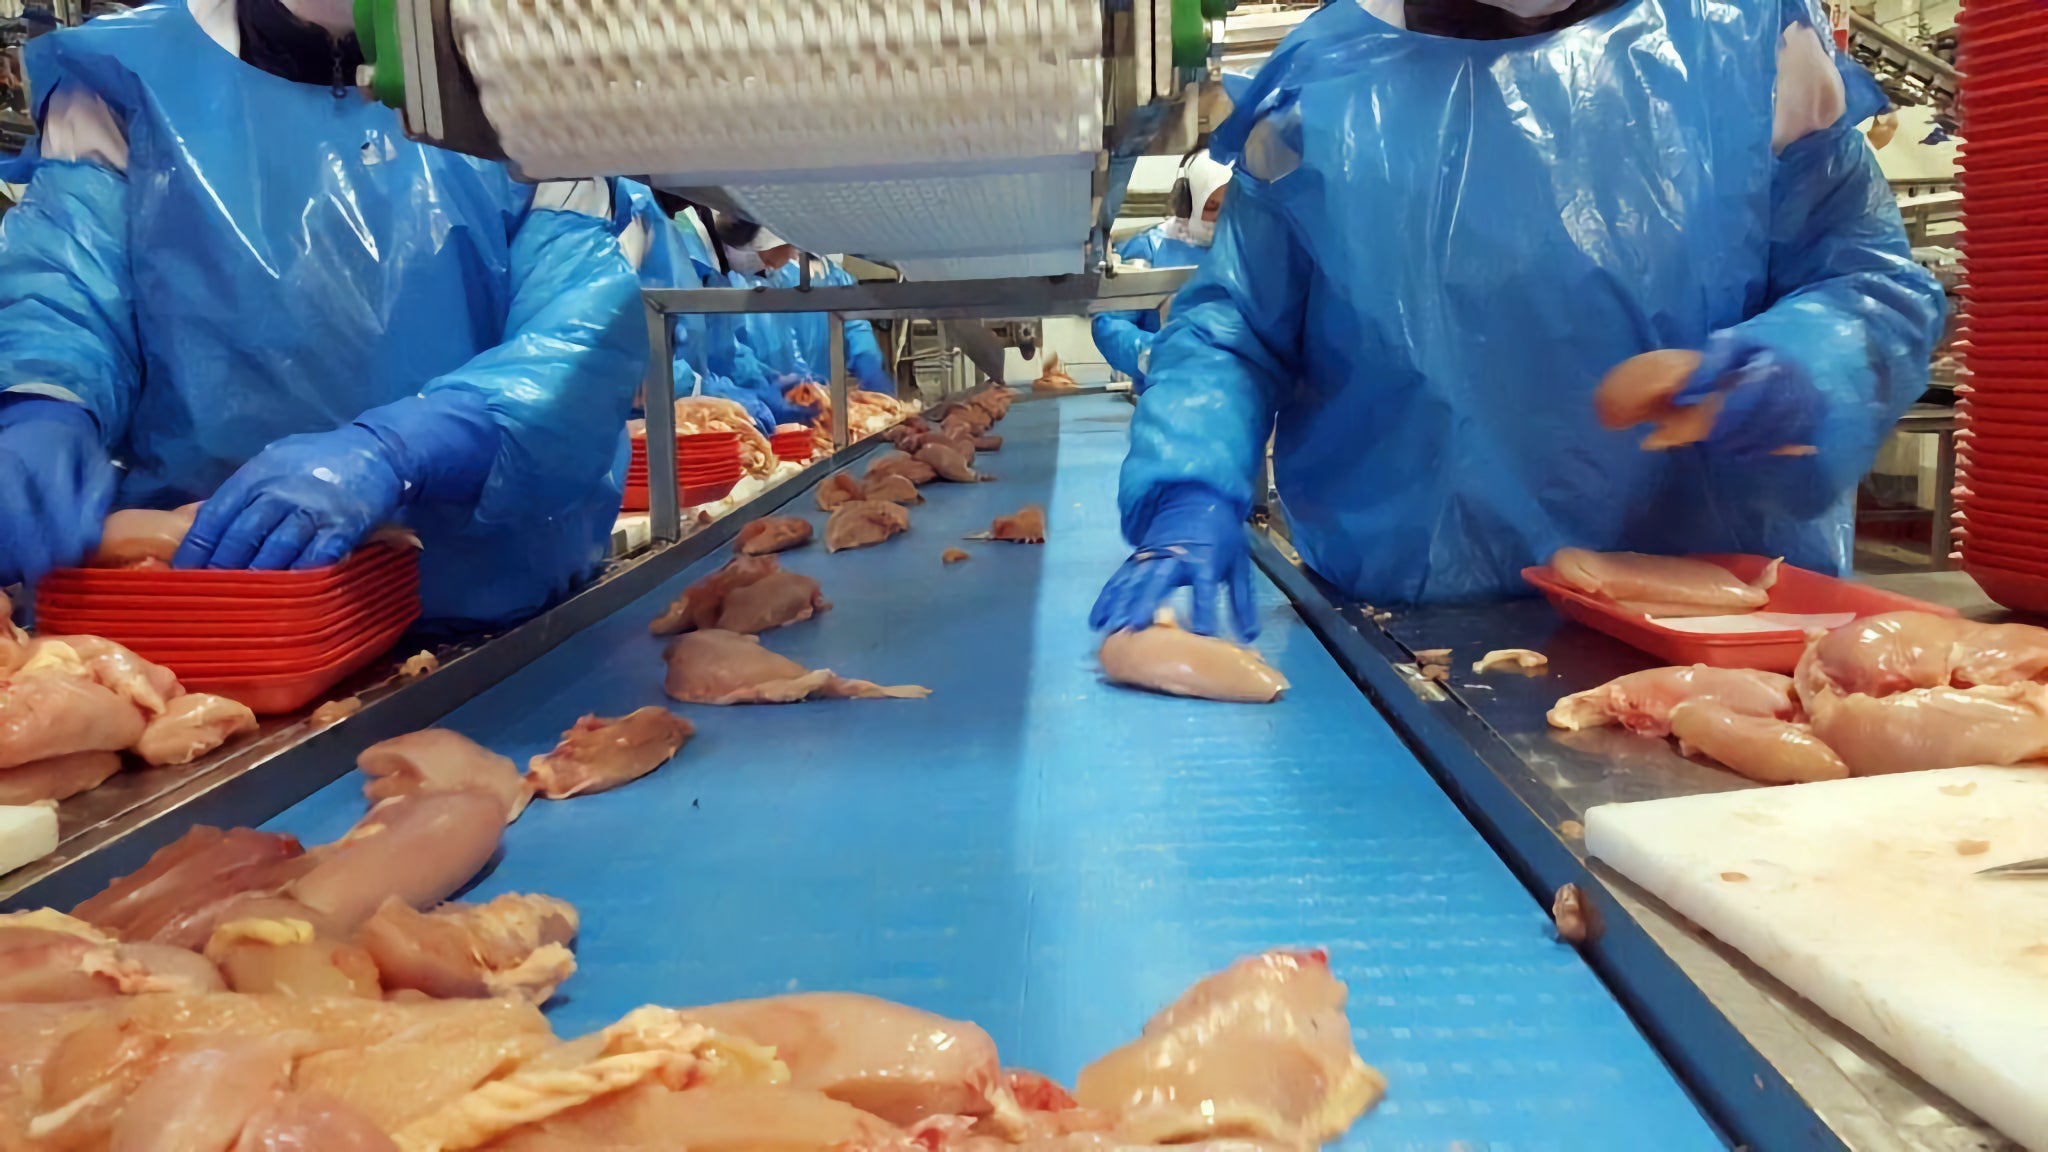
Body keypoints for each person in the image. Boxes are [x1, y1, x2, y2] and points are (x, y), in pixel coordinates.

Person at [1092, 0, 1945, 641]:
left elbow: (1865, 279)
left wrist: (1802, 368)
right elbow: (1236, 327)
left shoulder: (1749, 44)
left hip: (1722, 647)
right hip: (1405, 650)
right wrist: (1190, 491)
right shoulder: (1325, 86)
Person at [0, 0, 644, 630]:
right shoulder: (125, 75)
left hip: (492, 625)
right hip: (208, 623)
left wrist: (415, 447)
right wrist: (45, 403)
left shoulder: (533, 77)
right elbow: (66, 288)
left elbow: (578, 340)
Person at [614, 182, 801, 433]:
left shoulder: (689, 227)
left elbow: (718, 344)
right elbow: (620, 346)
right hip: (636, 422)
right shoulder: (630, 207)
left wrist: (763, 383)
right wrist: (699, 389)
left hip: (685, 421)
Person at [1091, 150, 1232, 391]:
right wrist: (1155, 353)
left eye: (1231, 208)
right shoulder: (1151, 248)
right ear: (1190, 204)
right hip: (1169, 396)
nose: (1220, 218)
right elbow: (1109, 324)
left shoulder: (1247, 253)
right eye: (1211, 207)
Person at [713, 214, 894, 396]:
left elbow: (854, 325)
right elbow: (728, 353)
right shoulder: (730, 288)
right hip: (756, 408)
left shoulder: (823, 275)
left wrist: (870, 367)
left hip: (818, 406)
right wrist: (766, 391)